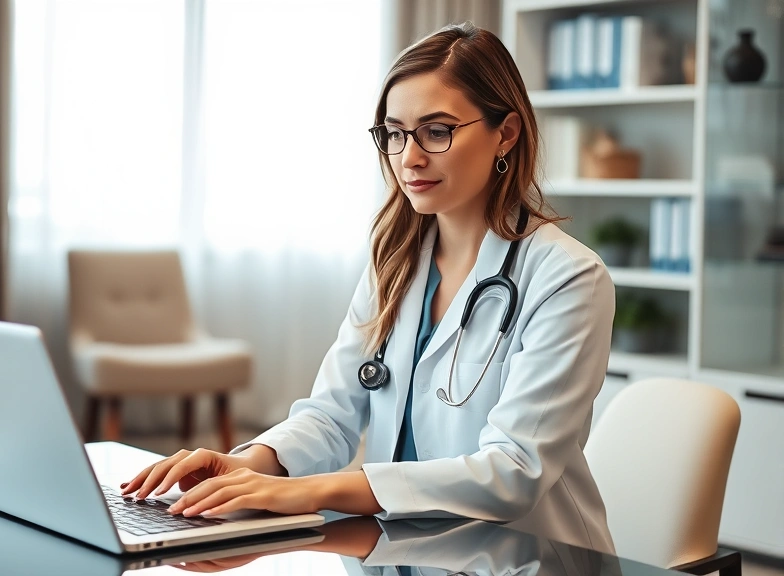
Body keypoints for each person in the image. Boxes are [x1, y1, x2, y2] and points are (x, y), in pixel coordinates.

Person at [122, 22, 616, 554]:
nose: (410, 157)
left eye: (437, 130)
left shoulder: (566, 278)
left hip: (528, 557)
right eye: (395, 133)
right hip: (403, 551)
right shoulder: (396, 260)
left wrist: (304, 491)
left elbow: (513, 470)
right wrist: (251, 466)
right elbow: (332, 414)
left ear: (507, 132)